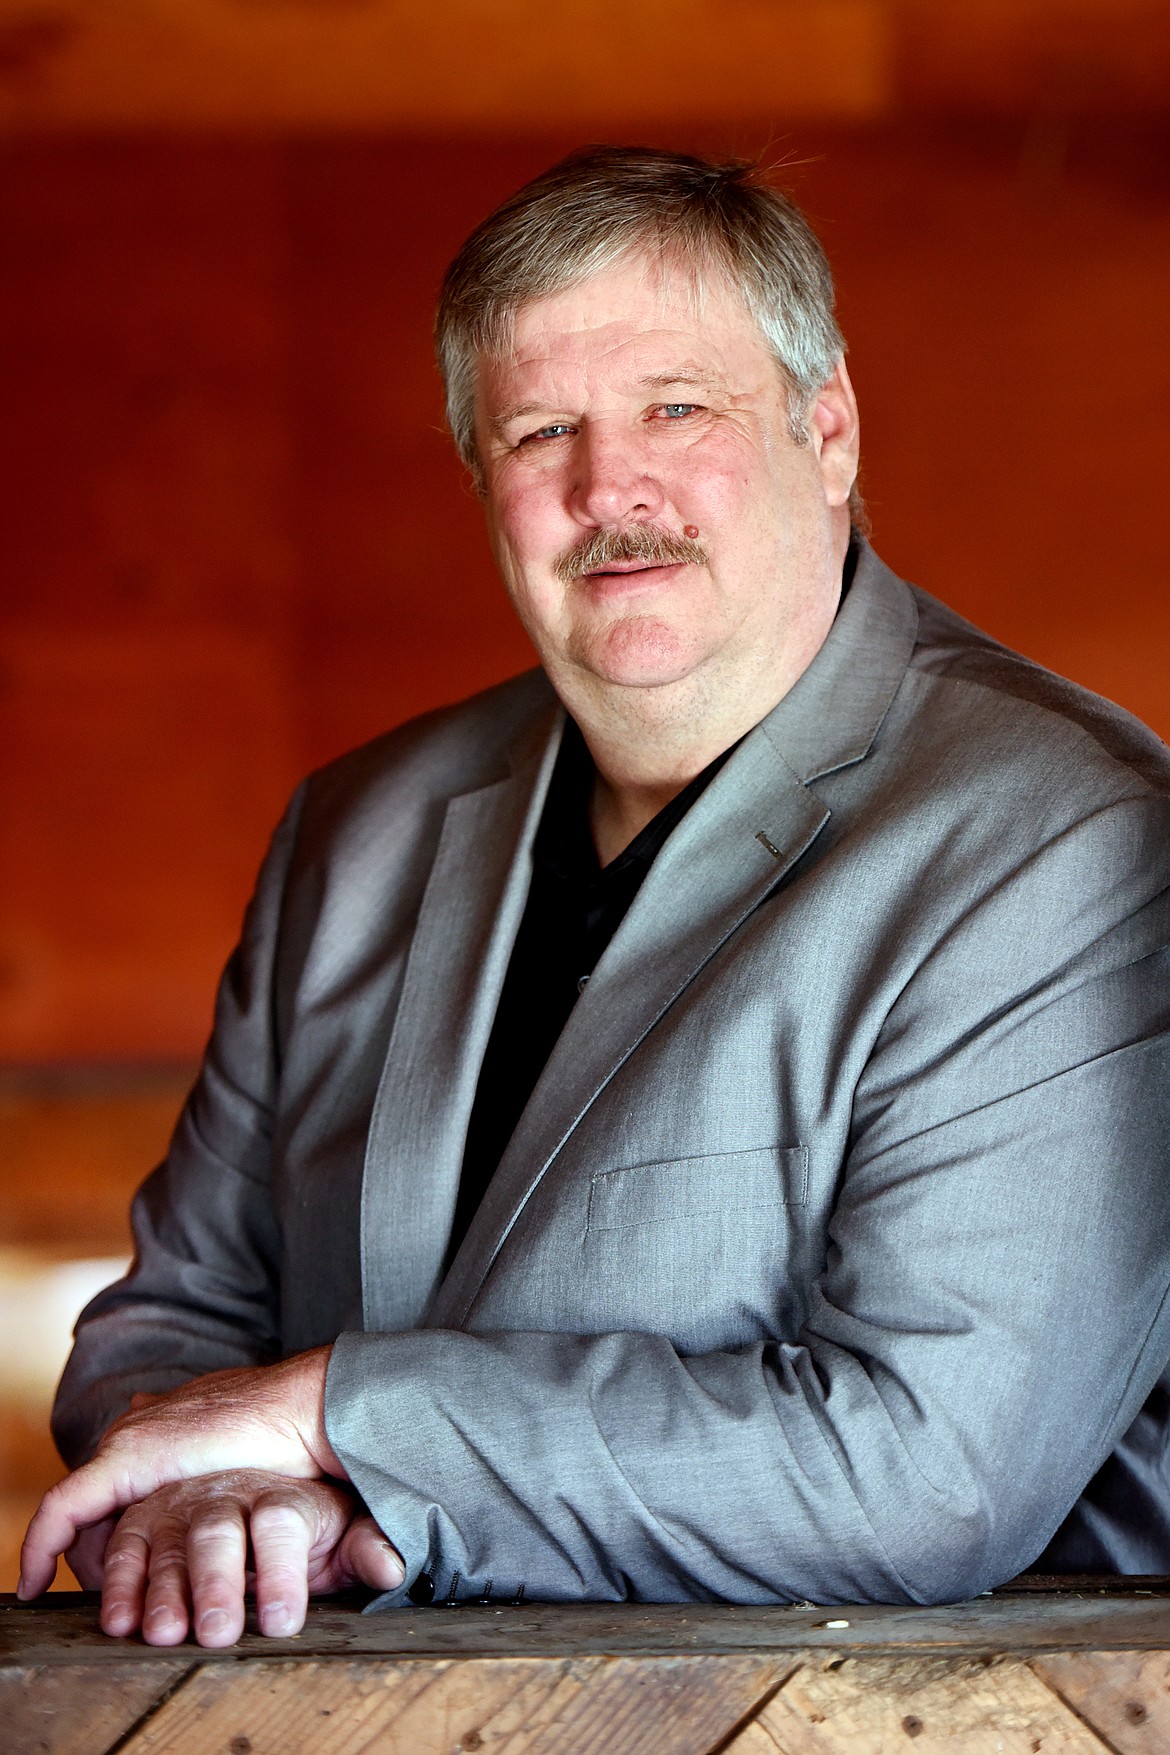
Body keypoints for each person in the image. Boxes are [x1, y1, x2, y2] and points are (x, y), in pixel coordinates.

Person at [19, 147, 1170, 1650]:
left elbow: (921, 1470)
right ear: (481, 482)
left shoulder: (1060, 831)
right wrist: (212, 1499)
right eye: (538, 428)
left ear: (826, 433)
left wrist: (335, 1427)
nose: (605, 486)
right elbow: (167, 1332)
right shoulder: (353, 830)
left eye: (674, 411)